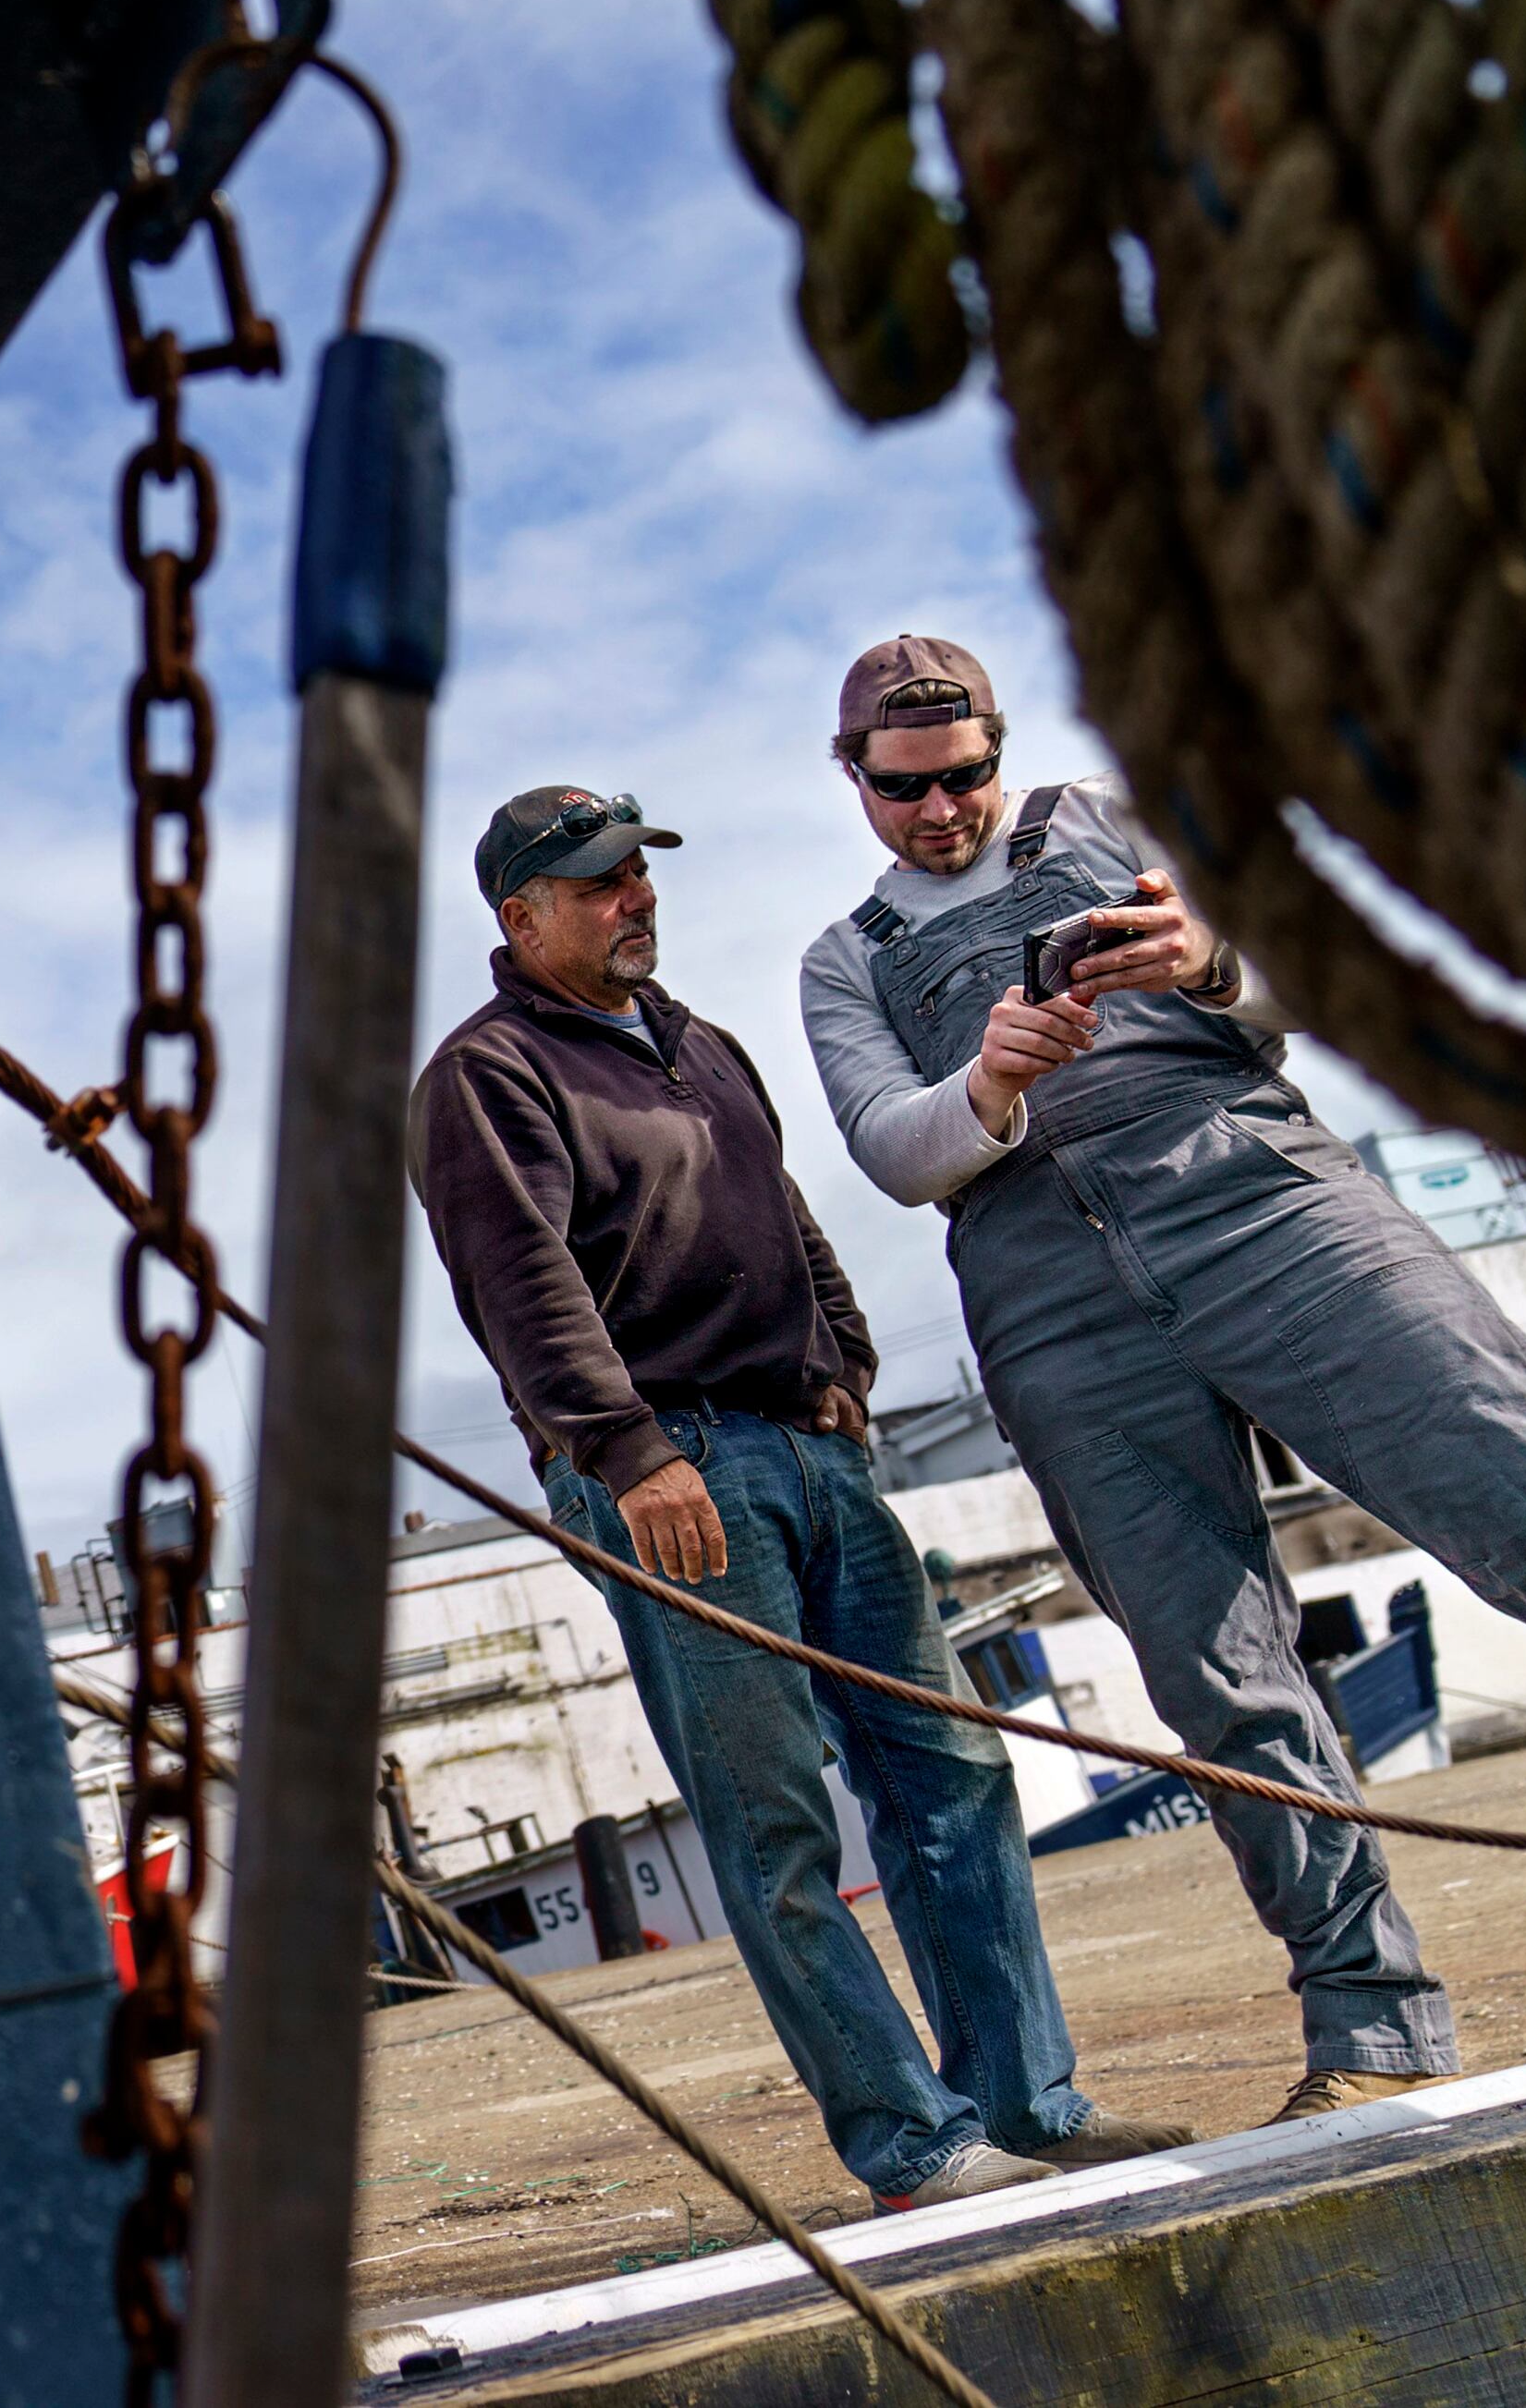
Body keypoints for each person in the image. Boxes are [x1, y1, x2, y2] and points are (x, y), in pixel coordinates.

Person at [795, 634, 1526, 2116]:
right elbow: (895, 1149)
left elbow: (1312, 985)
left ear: (998, 747)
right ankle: (1370, 2028)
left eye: (963, 776)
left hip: (1260, 1194)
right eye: (903, 791)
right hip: (1039, 1280)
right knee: (1221, 1683)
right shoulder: (850, 959)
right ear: (856, 778)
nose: (941, 812)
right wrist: (991, 1077)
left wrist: (1207, 961)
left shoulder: (1124, 818)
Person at [412, 784, 1190, 2210]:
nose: (635, 898)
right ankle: (913, 2140)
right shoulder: (487, 1072)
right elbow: (519, 1282)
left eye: (641, 871)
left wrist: (846, 1370)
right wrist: (630, 1455)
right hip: (673, 1471)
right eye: (598, 884)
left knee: (948, 1770)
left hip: (808, 1443)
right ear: (520, 917)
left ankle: (1028, 2103)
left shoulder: (698, 1042)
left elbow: (787, 1213)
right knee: (772, 1826)